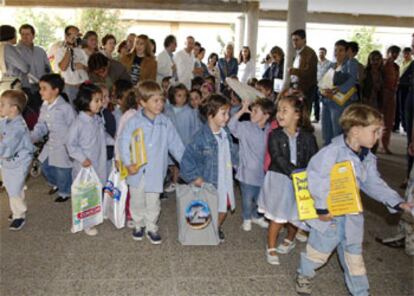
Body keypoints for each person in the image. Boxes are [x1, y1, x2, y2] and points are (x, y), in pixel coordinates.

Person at [295, 104, 413, 296]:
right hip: (330, 218)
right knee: (318, 253)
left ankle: (360, 292)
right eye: (375, 131)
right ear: (356, 131)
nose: (379, 136)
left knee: (354, 258)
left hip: (352, 216)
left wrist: (397, 202)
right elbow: (317, 179)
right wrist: (322, 209)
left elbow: (374, 183)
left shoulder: (367, 157)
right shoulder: (332, 152)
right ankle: (304, 274)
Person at [118, 81, 184, 244]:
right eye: (155, 100)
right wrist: (127, 163)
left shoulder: (165, 122)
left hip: (155, 171)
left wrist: (187, 163)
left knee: (153, 201)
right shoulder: (134, 121)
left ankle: (151, 226)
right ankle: (138, 224)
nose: (160, 104)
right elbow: (123, 141)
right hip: (136, 171)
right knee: (137, 199)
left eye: (162, 100)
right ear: (142, 102)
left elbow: (176, 144)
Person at [258, 93, 318, 265]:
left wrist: (311, 175)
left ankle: (290, 239)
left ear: (297, 114)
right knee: (277, 215)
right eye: (278, 110)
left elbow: (314, 158)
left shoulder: (308, 137)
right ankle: (270, 246)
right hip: (279, 179)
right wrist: (295, 172)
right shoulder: (275, 134)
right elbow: (277, 157)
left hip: (300, 182)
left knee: (295, 214)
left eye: (285, 110)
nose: (279, 114)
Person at [181, 94, 238, 242]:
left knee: (224, 207)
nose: (227, 117)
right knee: (207, 208)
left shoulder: (226, 133)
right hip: (208, 180)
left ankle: (215, 227)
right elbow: (187, 161)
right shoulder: (200, 137)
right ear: (210, 114)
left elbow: (232, 153)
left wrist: (237, 163)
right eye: (223, 113)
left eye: (228, 113)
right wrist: (195, 178)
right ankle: (206, 229)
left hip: (225, 179)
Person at [228, 98, 275, 231]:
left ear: (266, 115)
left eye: (255, 111)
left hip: (263, 173)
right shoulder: (246, 127)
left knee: (260, 198)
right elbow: (231, 125)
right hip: (247, 173)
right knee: (247, 199)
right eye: (251, 110)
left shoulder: (269, 130)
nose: (251, 113)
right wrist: (242, 110)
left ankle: (256, 215)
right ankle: (246, 218)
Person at [66, 82, 107, 236]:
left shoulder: (97, 119)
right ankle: (84, 223)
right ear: (85, 102)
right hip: (85, 166)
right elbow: (70, 144)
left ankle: (93, 216)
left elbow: (103, 136)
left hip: (98, 161)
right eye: (96, 100)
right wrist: (82, 158)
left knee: (95, 191)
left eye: (101, 100)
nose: (100, 103)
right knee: (84, 194)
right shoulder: (78, 123)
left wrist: (115, 142)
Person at [31, 74, 76, 203]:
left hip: (64, 145)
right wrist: (32, 136)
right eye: (40, 88)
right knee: (45, 166)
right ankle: (56, 183)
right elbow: (41, 125)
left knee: (63, 170)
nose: (40, 91)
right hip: (51, 143)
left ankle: (65, 192)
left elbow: (74, 126)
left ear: (55, 91)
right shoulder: (44, 106)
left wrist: (72, 146)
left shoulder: (65, 108)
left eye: (44, 88)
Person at [0, 90, 34, 230]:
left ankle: (19, 215)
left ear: (13, 108)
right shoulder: (7, 120)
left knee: (14, 188)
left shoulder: (18, 127)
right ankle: (16, 209)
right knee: (11, 185)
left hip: (19, 161)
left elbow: (7, 146)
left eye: (2, 104)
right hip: (9, 161)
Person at [164, 83, 202, 192]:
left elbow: (195, 128)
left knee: (183, 165)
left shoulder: (190, 112)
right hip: (171, 143)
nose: (182, 98)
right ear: (172, 96)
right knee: (173, 165)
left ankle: (184, 184)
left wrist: (194, 143)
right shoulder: (168, 110)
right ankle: (176, 182)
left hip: (186, 142)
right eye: (179, 95)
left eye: (184, 96)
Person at [320, 39, 358, 146]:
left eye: (341, 50)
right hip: (327, 101)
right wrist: (323, 91)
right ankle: (327, 157)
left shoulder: (351, 63)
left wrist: (338, 89)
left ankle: (339, 158)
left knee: (338, 133)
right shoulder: (331, 65)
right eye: (335, 50)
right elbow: (322, 81)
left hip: (340, 103)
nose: (337, 53)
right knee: (326, 132)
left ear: (347, 52)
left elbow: (352, 80)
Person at [17, 24, 52, 121]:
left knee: (43, 112)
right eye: (22, 34)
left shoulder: (40, 51)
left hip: (42, 87)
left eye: (27, 34)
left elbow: (48, 68)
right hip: (25, 87)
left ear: (33, 35)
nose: (24, 36)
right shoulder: (16, 51)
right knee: (28, 114)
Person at [55, 25, 89, 104]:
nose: (75, 37)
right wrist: (69, 49)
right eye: (72, 35)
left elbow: (90, 69)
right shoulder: (60, 50)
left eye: (76, 35)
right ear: (66, 36)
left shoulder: (81, 51)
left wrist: (83, 67)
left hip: (83, 86)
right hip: (69, 87)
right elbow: (63, 67)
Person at [288, 29, 318, 115]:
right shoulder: (298, 53)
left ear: (304, 40)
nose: (294, 42)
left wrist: (293, 71)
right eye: (293, 40)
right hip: (297, 87)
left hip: (306, 89)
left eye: (296, 40)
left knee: (303, 115)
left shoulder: (310, 53)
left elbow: (309, 72)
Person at [380, 45, 401, 154]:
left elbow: (397, 81)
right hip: (381, 94)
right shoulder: (382, 64)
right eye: (392, 52)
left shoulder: (397, 66)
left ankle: (384, 145)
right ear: (387, 53)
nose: (395, 55)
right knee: (375, 120)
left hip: (392, 95)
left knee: (388, 122)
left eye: (397, 53)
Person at [0, 25, 29, 93]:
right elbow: (25, 68)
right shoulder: (9, 48)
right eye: (15, 34)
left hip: (4, 82)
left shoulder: (1, 47)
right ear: (10, 35)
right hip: (13, 83)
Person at [394, 47, 413, 133]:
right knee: (398, 106)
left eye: (407, 53)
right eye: (404, 53)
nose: (405, 55)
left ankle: (405, 126)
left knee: (404, 106)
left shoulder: (411, 64)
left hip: (407, 88)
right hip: (399, 86)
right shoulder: (401, 63)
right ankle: (397, 125)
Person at [315, 47, 332, 123]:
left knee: (325, 102)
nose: (320, 54)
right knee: (316, 102)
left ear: (325, 53)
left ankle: (325, 118)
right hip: (316, 84)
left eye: (322, 52)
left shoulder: (329, 63)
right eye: (319, 52)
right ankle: (316, 118)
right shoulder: (316, 63)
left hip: (325, 86)